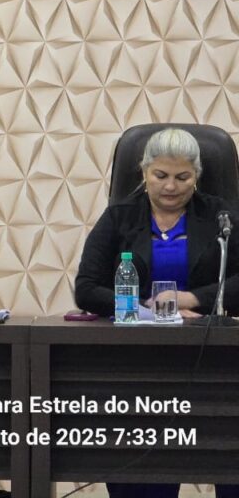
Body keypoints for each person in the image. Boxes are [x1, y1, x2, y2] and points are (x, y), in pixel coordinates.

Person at [74, 127, 239, 498]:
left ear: (197, 176)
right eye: (161, 175)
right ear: (144, 171)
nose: (170, 186)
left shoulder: (222, 218)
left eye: (183, 177)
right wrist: (147, 307)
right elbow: (87, 288)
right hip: (137, 365)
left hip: (214, 365)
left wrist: (191, 299)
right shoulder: (119, 217)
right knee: (145, 477)